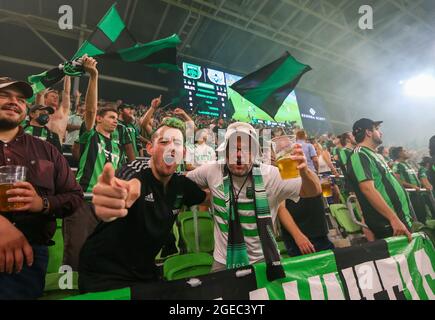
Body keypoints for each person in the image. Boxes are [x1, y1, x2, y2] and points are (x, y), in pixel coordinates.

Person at [78, 118, 207, 293]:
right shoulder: (135, 172)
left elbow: (209, 198)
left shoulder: (181, 185)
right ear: (150, 148)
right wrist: (115, 198)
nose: (171, 147)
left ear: (183, 153)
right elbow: (125, 185)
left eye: (176, 143)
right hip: (104, 272)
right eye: (164, 142)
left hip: (144, 271)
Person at [186, 122, 321, 274]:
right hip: (223, 260)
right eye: (233, 149)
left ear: (254, 153)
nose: (239, 154)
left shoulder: (271, 175)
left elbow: (313, 190)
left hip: (264, 259)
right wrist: (205, 198)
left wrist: (305, 172)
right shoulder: (212, 170)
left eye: (245, 149)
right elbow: (183, 183)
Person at [0, 76, 83, 299]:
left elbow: (74, 196)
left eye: (20, 99)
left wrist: (42, 203)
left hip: (27, 261)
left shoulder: (47, 150)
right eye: (4, 95)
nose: (13, 101)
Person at [347, 118, 413, 241]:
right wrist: (393, 219)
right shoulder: (359, 154)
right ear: (368, 132)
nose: (380, 133)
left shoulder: (375, 155)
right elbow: (367, 189)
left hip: (400, 217)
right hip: (389, 222)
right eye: (376, 129)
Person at [391, 147, 430, 223]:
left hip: (418, 193)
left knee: (423, 215)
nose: (407, 152)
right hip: (411, 195)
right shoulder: (397, 165)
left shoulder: (407, 164)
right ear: (399, 153)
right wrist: (412, 186)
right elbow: (397, 180)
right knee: (417, 217)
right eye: (404, 151)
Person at [37, 76, 71, 143]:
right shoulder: (42, 110)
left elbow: (67, 92)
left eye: (57, 97)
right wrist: (43, 89)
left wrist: (68, 75)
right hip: (42, 145)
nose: (55, 98)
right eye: (52, 96)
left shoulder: (63, 111)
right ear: (45, 99)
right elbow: (40, 95)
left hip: (57, 147)